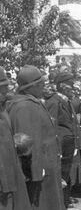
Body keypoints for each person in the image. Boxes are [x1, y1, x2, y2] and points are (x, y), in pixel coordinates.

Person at [7, 65, 65, 210]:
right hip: (39, 173)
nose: (43, 87)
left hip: (45, 166)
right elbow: (26, 144)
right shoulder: (25, 107)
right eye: (40, 84)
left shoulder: (28, 102)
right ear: (30, 87)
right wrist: (36, 171)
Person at [45, 72, 81, 208]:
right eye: (70, 84)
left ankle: (65, 199)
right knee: (61, 174)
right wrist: (58, 148)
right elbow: (52, 127)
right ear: (62, 86)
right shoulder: (54, 101)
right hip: (61, 145)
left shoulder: (65, 100)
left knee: (66, 173)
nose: (72, 87)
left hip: (69, 143)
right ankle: (61, 201)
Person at [0, 67, 31, 210]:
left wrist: (14, 141)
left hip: (10, 174)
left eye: (6, 86)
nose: (6, 91)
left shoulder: (3, 109)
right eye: (2, 87)